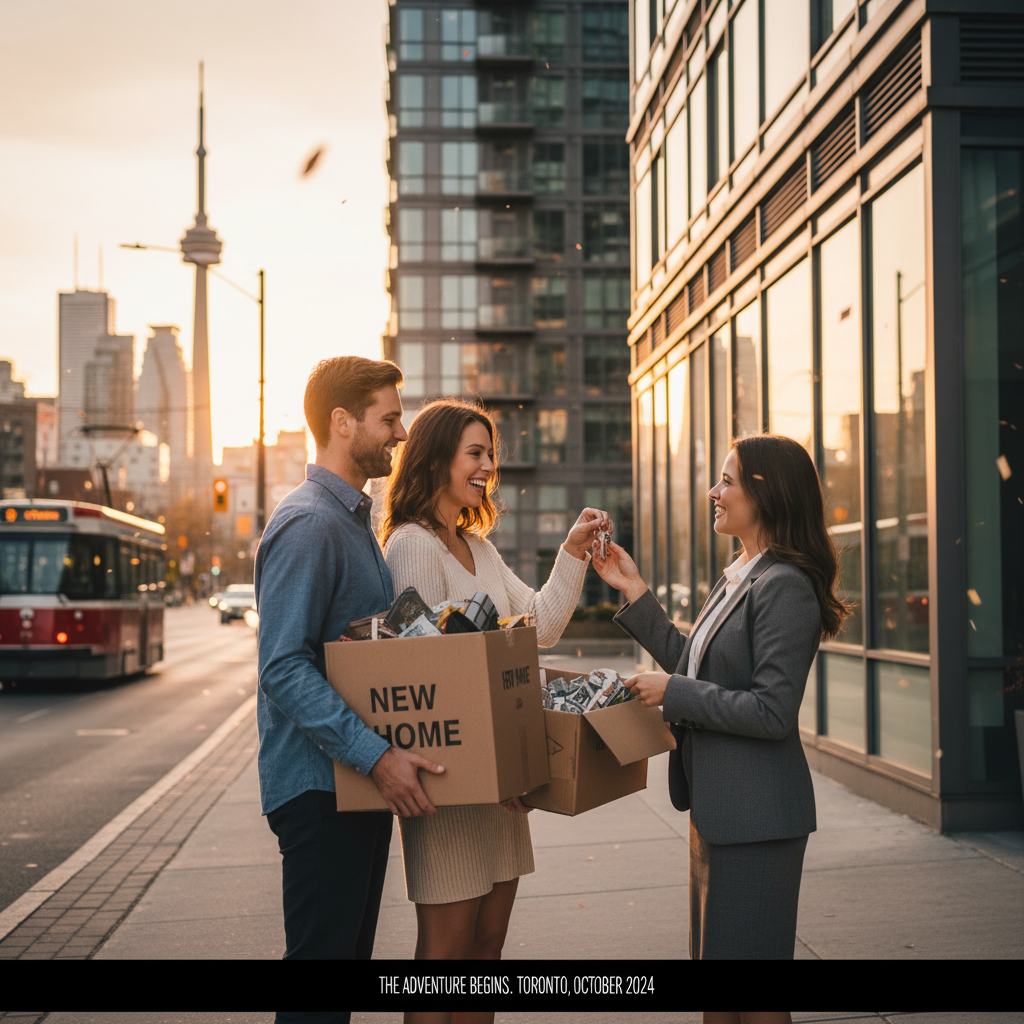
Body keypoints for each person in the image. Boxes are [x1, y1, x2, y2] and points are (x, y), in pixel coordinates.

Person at [594, 434, 851, 960]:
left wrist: (675, 693)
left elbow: (772, 711)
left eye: (727, 481)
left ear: (767, 494)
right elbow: (697, 662)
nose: (714, 491)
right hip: (721, 812)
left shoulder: (785, 585)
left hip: (757, 819)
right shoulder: (739, 577)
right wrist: (636, 592)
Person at [380, 397, 610, 961]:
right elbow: (431, 682)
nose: (488, 467)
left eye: (491, 455)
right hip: (453, 788)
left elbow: (543, 624)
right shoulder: (413, 545)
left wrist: (573, 552)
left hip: (504, 794)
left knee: (486, 952)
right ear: (435, 460)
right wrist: (501, 770)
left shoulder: (478, 547)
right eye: (475, 453)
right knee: (445, 961)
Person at [255, 356, 447, 960]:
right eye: (388, 419)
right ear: (343, 422)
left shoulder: (353, 519)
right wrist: (377, 755)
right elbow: (283, 666)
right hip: (322, 791)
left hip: (356, 785)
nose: (401, 432)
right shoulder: (309, 523)